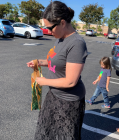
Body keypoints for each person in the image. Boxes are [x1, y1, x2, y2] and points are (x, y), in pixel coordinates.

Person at [27, 1, 88, 140]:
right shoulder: (59, 38)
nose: (48, 31)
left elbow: (70, 81)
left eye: (50, 27)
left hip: (68, 102)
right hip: (54, 95)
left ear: (62, 22)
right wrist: (39, 62)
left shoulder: (76, 43)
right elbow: (56, 62)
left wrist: (43, 81)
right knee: (47, 133)